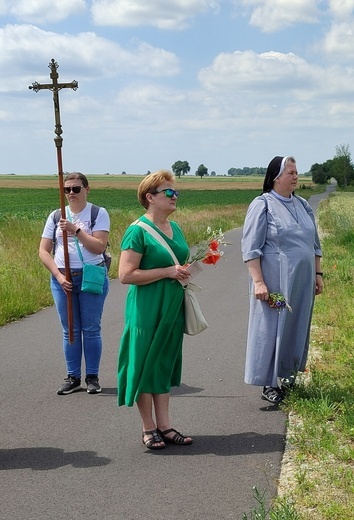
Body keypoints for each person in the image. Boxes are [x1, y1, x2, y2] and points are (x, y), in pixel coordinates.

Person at [117, 169, 193, 450]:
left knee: (163, 361)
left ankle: (165, 425)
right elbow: (125, 275)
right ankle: (148, 427)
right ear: (150, 197)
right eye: (169, 192)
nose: (175, 197)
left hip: (172, 304)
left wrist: (184, 271)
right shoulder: (136, 231)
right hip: (146, 307)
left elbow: (177, 264)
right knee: (145, 362)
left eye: (176, 192)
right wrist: (167, 271)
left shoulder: (176, 228)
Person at [241, 156, 324, 404]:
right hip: (276, 281)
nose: (296, 176)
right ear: (276, 177)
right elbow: (251, 248)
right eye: (291, 172)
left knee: (296, 324)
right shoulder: (263, 205)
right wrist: (258, 282)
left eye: (296, 172)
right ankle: (268, 383)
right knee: (271, 327)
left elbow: (315, 244)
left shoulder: (302, 204)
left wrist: (318, 274)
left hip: (303, 280)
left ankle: (288, 377)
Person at [39, 172, 110, 395]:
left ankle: (92, 377)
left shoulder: (98, 213)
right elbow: (43, 251)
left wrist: (75, 230)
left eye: (76, 189)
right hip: (63, 278)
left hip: (91, 275)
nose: (71, 193)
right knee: (70, 329)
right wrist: (59, 277)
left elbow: (99, 247)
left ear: (87, 189)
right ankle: (73, 377)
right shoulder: (55, 216)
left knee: (90, 329)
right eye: (67, 189)